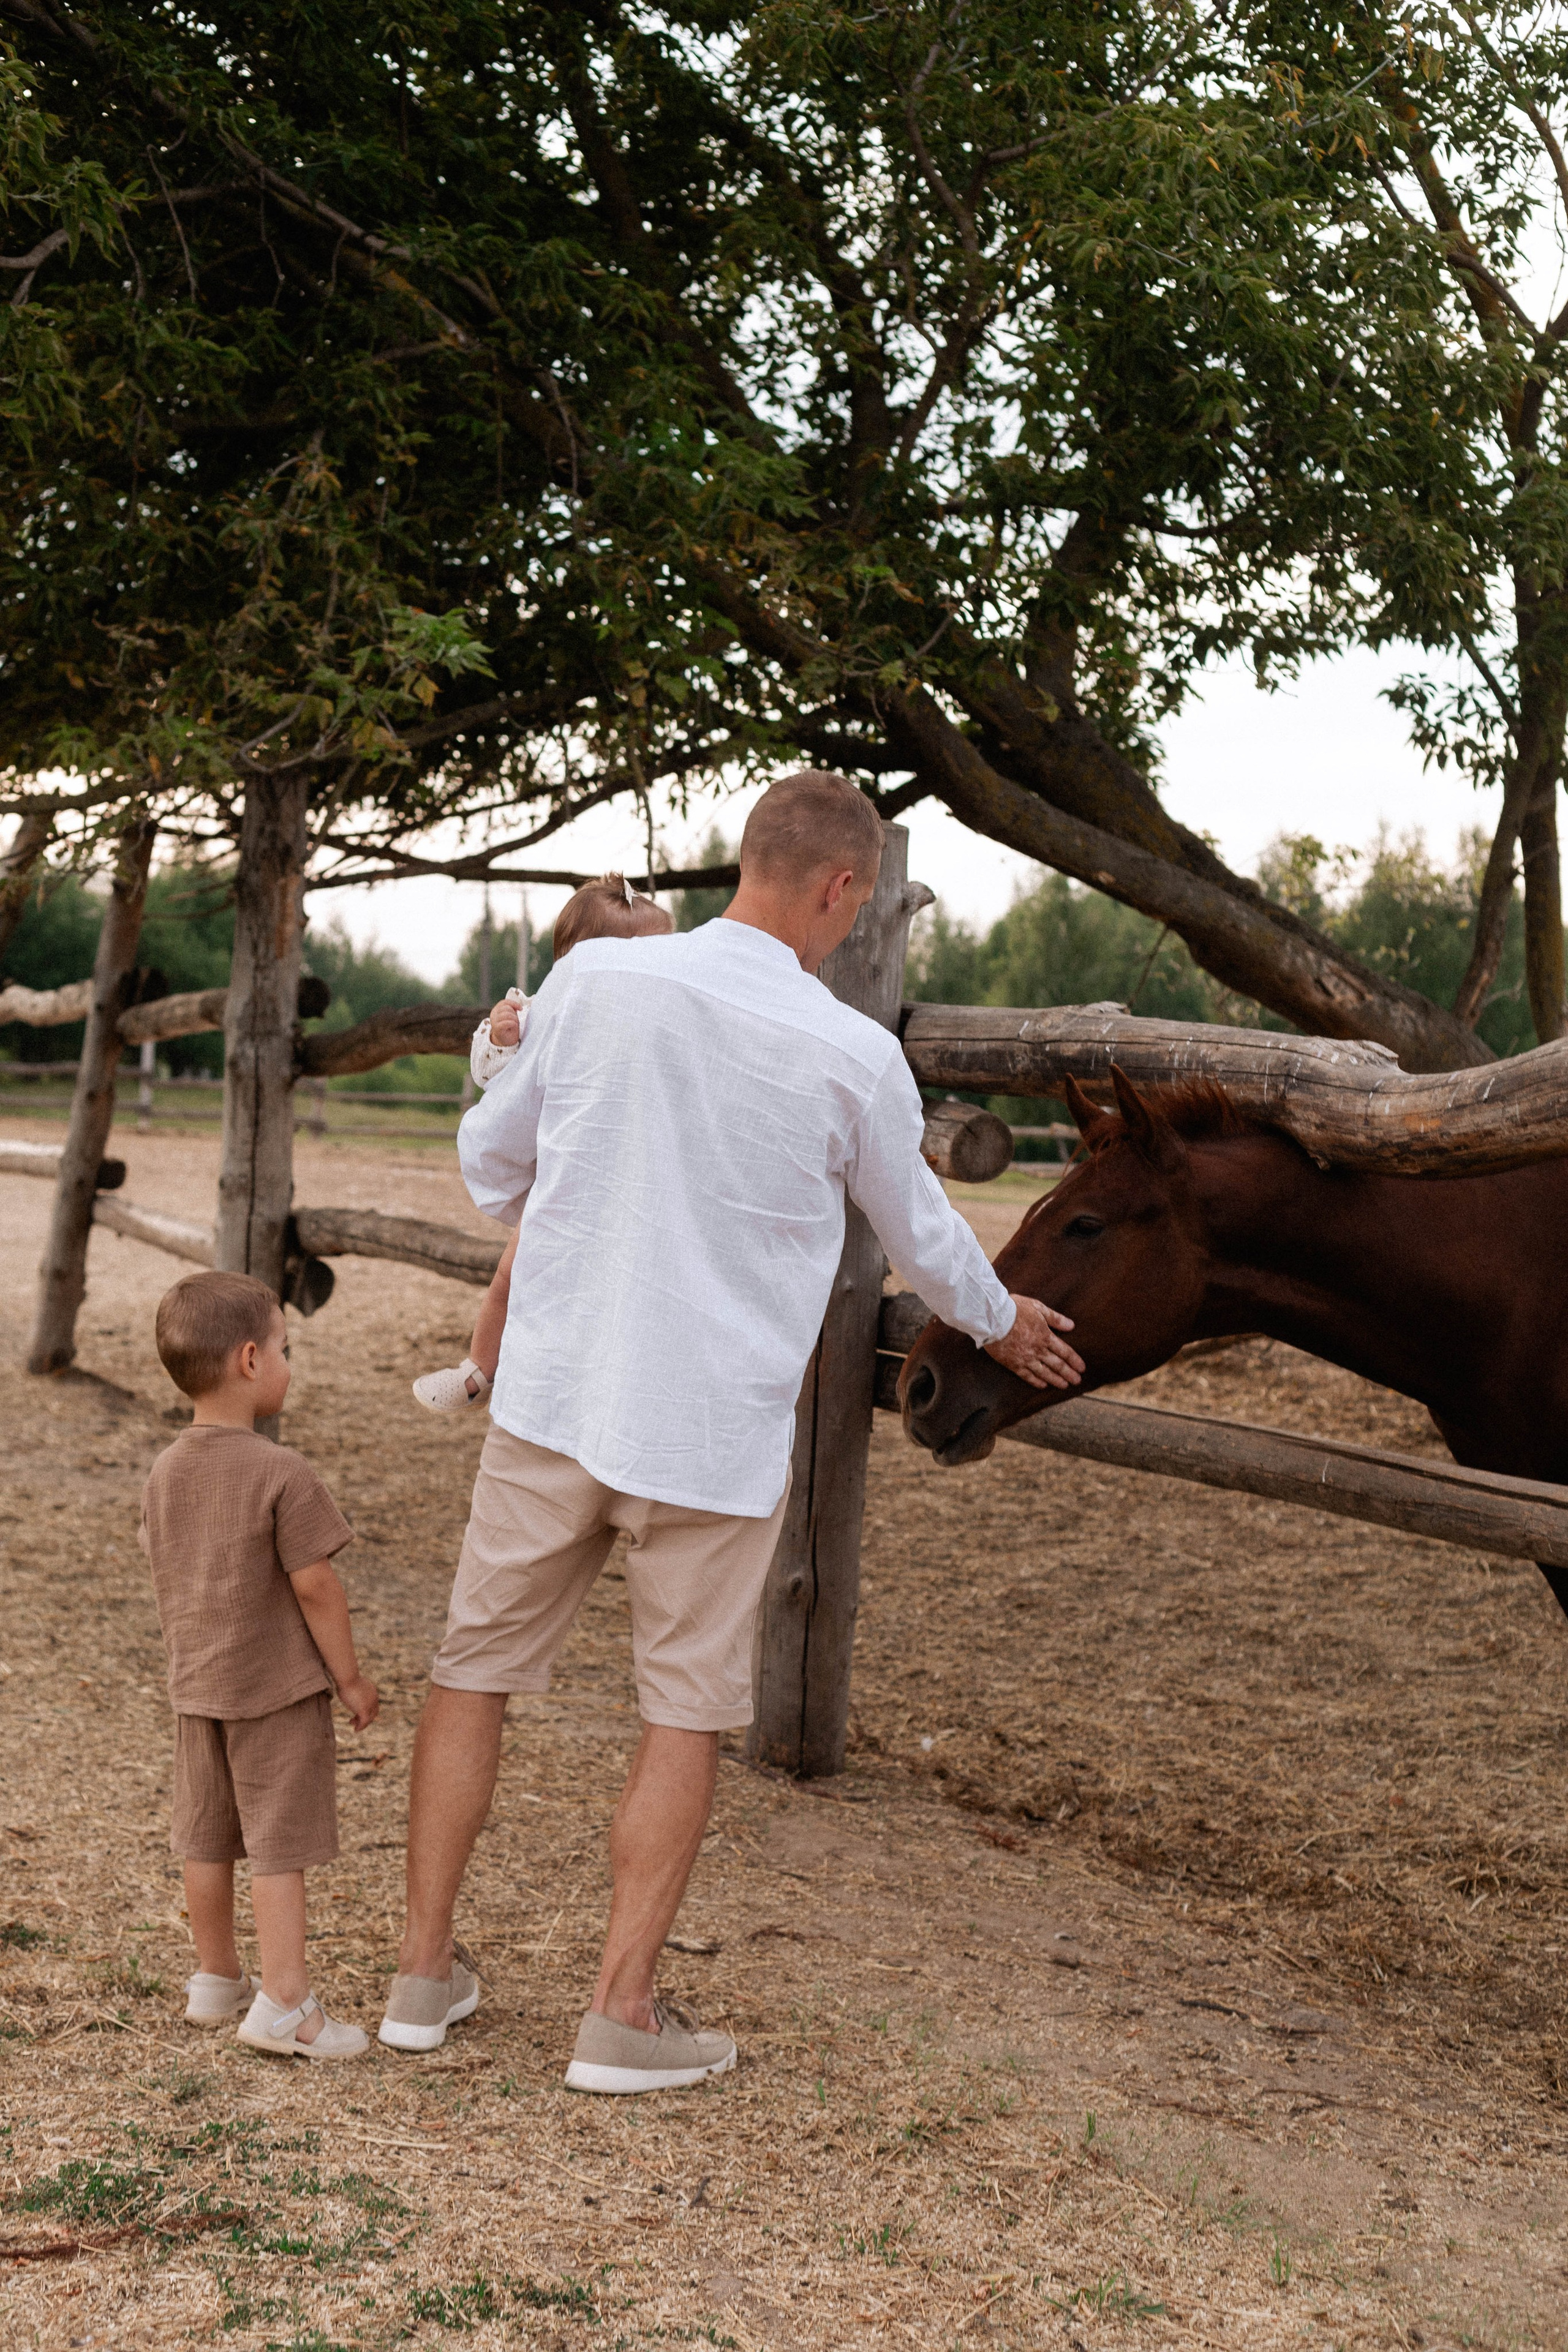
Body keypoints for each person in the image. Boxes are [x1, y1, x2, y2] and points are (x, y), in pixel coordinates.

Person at [379, 771, 1084, 2083]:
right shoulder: (853, 1053)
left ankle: (420, 1978)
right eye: (853, 902)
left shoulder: (595, 984)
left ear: (742, 861)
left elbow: (491, 1171)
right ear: (839, 890)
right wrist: (999, 1321)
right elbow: (921, 1240)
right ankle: (618, 2014)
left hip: (554, 1400)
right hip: (706, 1433)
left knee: (471, 1672)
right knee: (679, 1717)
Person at [141, 1270, 381, 2060]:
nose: (288, 1362)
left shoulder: (166, 1470)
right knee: (280, 1845)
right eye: (285, 1347)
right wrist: (348, 1678)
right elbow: (316, 1585)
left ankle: (215, 1978)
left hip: (196, 1687)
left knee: (205, 1836)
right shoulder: (283, 1473)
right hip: (275, 1692)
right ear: (250, 1360)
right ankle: (287, 2004)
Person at [412, 875, 674, 1412]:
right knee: (512, 1274)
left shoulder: (668, 1015)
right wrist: (502, 1041)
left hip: (632, 1171)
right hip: (562, 1174)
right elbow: (496, 1081)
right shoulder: (538, 1011)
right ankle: (479, 1370)